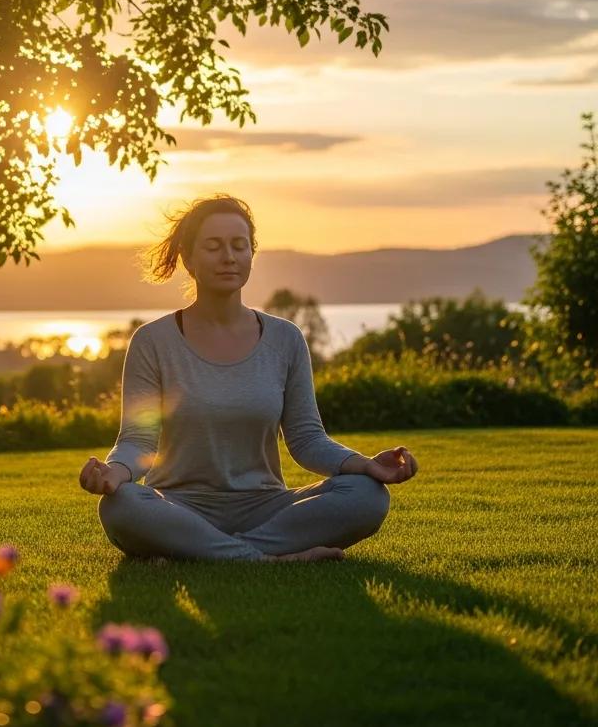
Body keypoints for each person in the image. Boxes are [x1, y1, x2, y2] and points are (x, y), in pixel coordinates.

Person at [78, 195, 419, 563]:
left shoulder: (285, 339)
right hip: (177, 507)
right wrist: (117, 472)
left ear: (251, 255)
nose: (229, 256)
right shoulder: (153, 341)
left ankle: (204, 552)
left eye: (239, 246)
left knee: (367, 495)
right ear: (189, 258)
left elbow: (307, 439)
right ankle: (267, 558)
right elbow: (138, 440)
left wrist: (364, 464)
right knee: (122, 505)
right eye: (213, 246)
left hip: (266, 507)